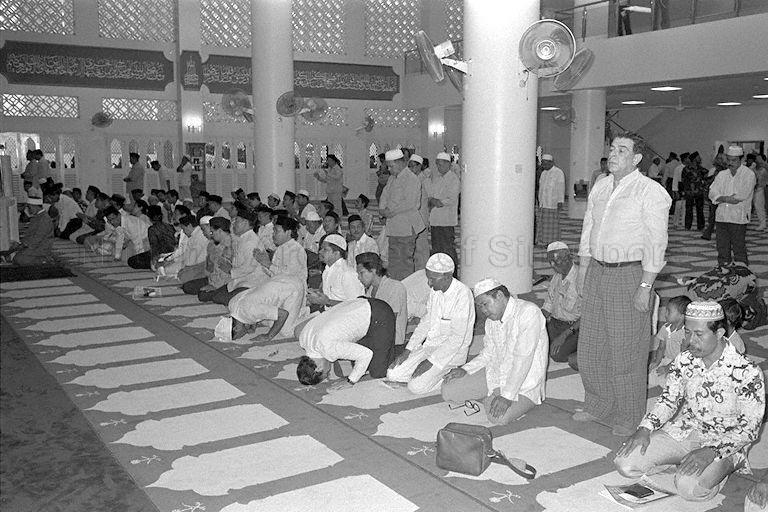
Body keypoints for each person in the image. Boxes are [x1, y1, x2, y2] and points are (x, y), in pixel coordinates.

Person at [615, 301, 764, 502]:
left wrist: (711, 451)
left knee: (690, 489)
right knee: (625, 463)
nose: (690, 341)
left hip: (724, 442)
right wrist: (645, 428)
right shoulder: (684, 360)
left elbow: (749, 429)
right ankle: (682, 460)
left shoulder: (747, 371)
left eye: (699, 334)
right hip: (687, 430)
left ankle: (732, 463)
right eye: (687, 332)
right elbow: (668, 400)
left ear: (719, 333)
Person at [575, 132, 671, 436]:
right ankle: (598, 403)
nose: (613, 154)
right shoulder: (601, 185)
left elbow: (656, 242)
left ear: (637, 158)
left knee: (627, 349)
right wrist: (583, 268)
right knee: (591, 344)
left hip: (629, 275)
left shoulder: (650, 191)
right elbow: (588, 227)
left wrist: (645, 286)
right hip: (597, 271)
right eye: (612, 149)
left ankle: (629, 415)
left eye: (622, 150)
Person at [442, 278, 549, 424]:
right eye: (480, 307)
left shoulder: (528, 313)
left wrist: (507, 396)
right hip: (496, 374)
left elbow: (523, 359)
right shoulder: (491, 321)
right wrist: (466, 369)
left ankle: (494, 397)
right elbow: (488, 353)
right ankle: (492, 396)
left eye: (485, 304)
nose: (483, 311)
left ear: (499, 296)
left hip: (524, 383)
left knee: (498, 418)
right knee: (448, 390)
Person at [386, 253, 475, 394]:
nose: (429, 283)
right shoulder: (436, 291)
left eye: (432, 279)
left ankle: (452, 374)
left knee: (416, 387)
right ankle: (428, 376)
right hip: (431, 346)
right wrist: (408, 350)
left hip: (452, 353)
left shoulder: (462, 295)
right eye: (428, 278)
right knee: (393, 374)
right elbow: (426, 322)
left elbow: (457, 339)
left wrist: (430, 362)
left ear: (447, 277)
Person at [296, 297, 396, 385]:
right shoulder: (303, 340)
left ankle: (401, 349)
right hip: (358, 302)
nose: (328, 372)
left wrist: (351, 381)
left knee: (378, 373)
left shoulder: (329, 349)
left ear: (318, 368)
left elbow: (366, 354)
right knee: (359, 365)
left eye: (327, 373)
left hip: (379, 314)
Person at [379, 149, 425, 280]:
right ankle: (395, 284)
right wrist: (382, 210)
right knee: (394, 260)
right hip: (394, 227)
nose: (389, 169)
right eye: (388, 166)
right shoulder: (392, 178)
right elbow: (384, 195)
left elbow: (411, 203)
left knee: (404, 261)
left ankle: (405, 287)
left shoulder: (411, 179)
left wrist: (390, 212)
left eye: (391, 166)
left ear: (400, 163)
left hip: (406, 227)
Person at [709, 146, 755, 266]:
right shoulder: (722, 174)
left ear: (741, 159)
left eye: (734, 160)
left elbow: (741, 196)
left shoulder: (748, 174)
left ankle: (742, 273)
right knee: (722, 247)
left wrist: (721, 197)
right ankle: (724, 271)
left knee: (739, 248)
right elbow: (712, 192)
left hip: (738, 217)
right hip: (721, 217)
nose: (730, 163)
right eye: (728, 160)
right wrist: (726, 198)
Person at [228, 274, 307, 341]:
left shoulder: (251, 310)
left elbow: (283, 314)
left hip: (292, 288)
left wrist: (268, 336)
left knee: (286, 331)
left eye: (238, 336)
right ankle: (296, 313)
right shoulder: (231, 305)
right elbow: (251, 300)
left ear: (236, 329)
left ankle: (310, 315)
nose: (241, 336)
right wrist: (252, 325)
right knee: (269, 322)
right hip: (280, 279)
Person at [542, 241, 582, 368]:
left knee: (557, 355)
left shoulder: (581, 279)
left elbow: (588, 315)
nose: (553, 265)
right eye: (550, 262)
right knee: (531, 340)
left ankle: (585, 350)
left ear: (568, 258)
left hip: (573, 328)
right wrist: (536, 321)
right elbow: (548, 304)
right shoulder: (557, 277)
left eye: (556, 261)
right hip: (555, 323)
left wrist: (564, 336)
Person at [356, 252, 408, 346]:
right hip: (375, 341)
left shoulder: (395, 287)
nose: (359, 278)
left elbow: (388, 321)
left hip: (392, 345)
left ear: (373, 270)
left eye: (361, 273)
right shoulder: (370, 290)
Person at [307, 233, 364, 309]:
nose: (320, 252)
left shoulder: (347, 273)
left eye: (325, 249)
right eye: (321, 249)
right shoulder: (327, 270)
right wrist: (317, 294)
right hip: (330, 313)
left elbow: (357, 305)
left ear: (336, 253)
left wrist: (328, 302)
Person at [428, 152, 461, 272]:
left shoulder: (453, 179)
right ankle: (439, 272)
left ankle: (452, 273)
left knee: (447, 249)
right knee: (437, 249)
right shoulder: (437, 178)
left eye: (440, 165)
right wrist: (433, 200)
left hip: (446, 220)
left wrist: (438, 201)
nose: (438, 167)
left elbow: (451, 199)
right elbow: (431, 195)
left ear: (448, 165)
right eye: (437, 164)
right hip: (435, 219)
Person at [2, 197, 54, 266]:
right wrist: (19, 244)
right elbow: (31, 236)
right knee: (16, 257)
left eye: (29, 207)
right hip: (33, 246)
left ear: (35, 206)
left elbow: (37, 239)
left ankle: (45, 260)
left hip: (40, 248)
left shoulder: (44, 219)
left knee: (19, 259)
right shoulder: (38, 217)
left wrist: (22, 246)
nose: (28, 210)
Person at [648, 295, 691, 376]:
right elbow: (661, 348)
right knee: (652, 372)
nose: (665, 314)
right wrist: (656, 362)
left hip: (682, 361)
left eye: (669, 311)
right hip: (667, 358)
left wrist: (668, 367)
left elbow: (683, 355)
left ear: (681, 316)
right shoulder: (665, 328)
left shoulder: (685, 333)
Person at [259, 215, 307, 282]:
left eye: (276, 231)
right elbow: (273, 274)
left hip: (291, 286)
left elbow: (289, 276)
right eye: (273, 231)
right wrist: (262, 263)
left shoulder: (296, 250)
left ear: (288, 232)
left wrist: (268, 265)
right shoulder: (280, 248)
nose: (273, 234)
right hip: (278, 283)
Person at [127, 205, 176, 270]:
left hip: (161, 255)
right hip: (173, 254)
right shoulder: (170, 226)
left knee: (132, 261)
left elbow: (154, 246)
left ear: (149, 217)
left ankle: (161, 265)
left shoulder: (152, 229)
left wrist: (154, 259)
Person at [537, 154, 566, 246]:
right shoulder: (543, 173)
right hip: (543, 203)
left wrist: (560, 201)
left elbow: (561, 187)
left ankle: (552, 242)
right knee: (543, 223)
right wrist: (539, 200)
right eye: (543, 164)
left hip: (553, 203)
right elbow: (541, 188)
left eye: (545, 164)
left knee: (552, 225)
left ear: (551, 163)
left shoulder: (558, 172)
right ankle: (543, 241)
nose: (544, 166)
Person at [682, 151, 708, 231]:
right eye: (698, 157)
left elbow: (706, 179)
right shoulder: (686, 169)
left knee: (700, 210)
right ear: (694, 159)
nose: (700, 158)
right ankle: (687, 226)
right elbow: (684, 181)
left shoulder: (702, 169)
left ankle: (701, 226)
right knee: (689, 210)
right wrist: (686, 191)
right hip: (690, 192)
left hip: (699, 192)